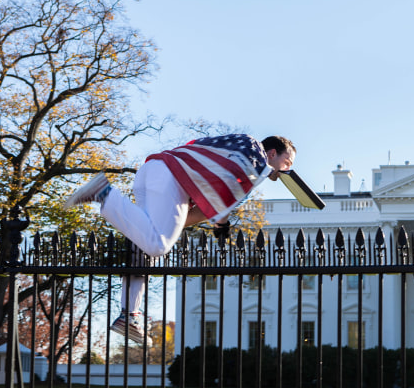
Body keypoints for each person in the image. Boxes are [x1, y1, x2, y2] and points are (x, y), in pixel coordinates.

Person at [64, 134, 296, 345]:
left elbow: (197, 212)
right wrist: (222, 223)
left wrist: (200, 221)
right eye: (287, 163)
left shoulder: (234, 151)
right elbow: (224, 198)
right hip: (172, 178)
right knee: (158, 245)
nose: (287, 170)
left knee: (145, 243)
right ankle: (105, 192)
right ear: (273, 153)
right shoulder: (255, 157)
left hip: (153, 169)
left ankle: (129, 315)